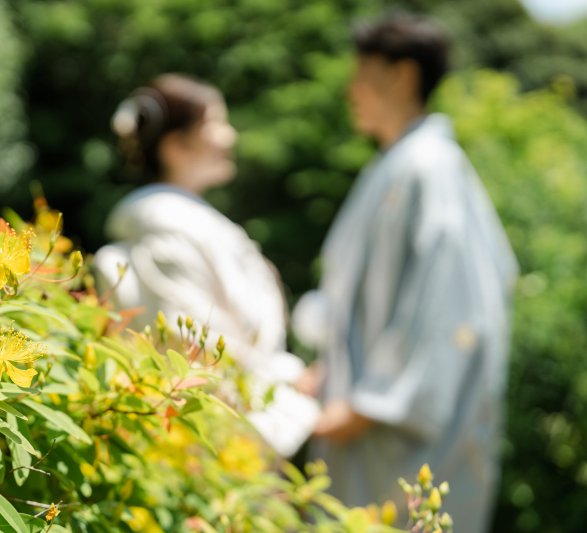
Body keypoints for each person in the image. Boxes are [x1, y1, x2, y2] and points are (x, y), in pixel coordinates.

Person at [295, 14, 518, 532]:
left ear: (402, 75)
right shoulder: (396, 165)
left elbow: (451, 304)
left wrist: (370, 403)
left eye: (361, 73)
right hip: (361, 413)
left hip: (392, 426)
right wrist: (329, 371)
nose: (350, 90)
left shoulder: (428, 166)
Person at [95, 74, 319, 457]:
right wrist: (293, 382)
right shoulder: (168, 227)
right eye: (215, 123)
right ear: (176, 145)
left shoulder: (184, 222)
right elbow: (197, 346)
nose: (229, 136)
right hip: (219, 440)